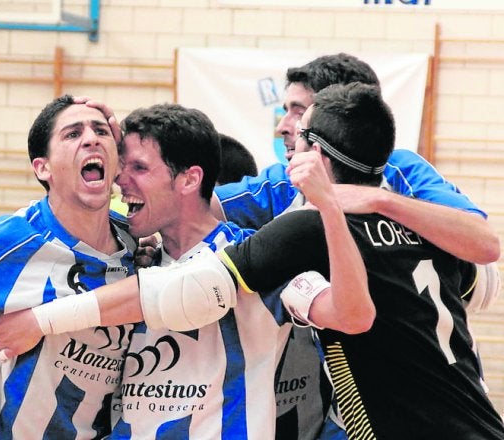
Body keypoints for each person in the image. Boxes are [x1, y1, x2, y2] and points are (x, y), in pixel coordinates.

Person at [0, 102, 375, 439]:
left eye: (139, 168)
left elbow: (353, 316)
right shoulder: (126, 260)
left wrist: (331, 211)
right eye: (122, 165)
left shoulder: (256, 261)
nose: (120, 180)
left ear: (189, 179)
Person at [209, 52, 500, 440]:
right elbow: (197, 204)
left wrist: (381, 202)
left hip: (432, 393)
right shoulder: (286, 182)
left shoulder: (401, 170)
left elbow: (484, 249)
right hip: (350, 404)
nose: (285, 126)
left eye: (299, 112)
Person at [0, 95, 140, 439]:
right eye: (72, 134)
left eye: (100, 131)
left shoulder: (139, 245)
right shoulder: (13, 239)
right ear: (43, 168)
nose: (90, 138)